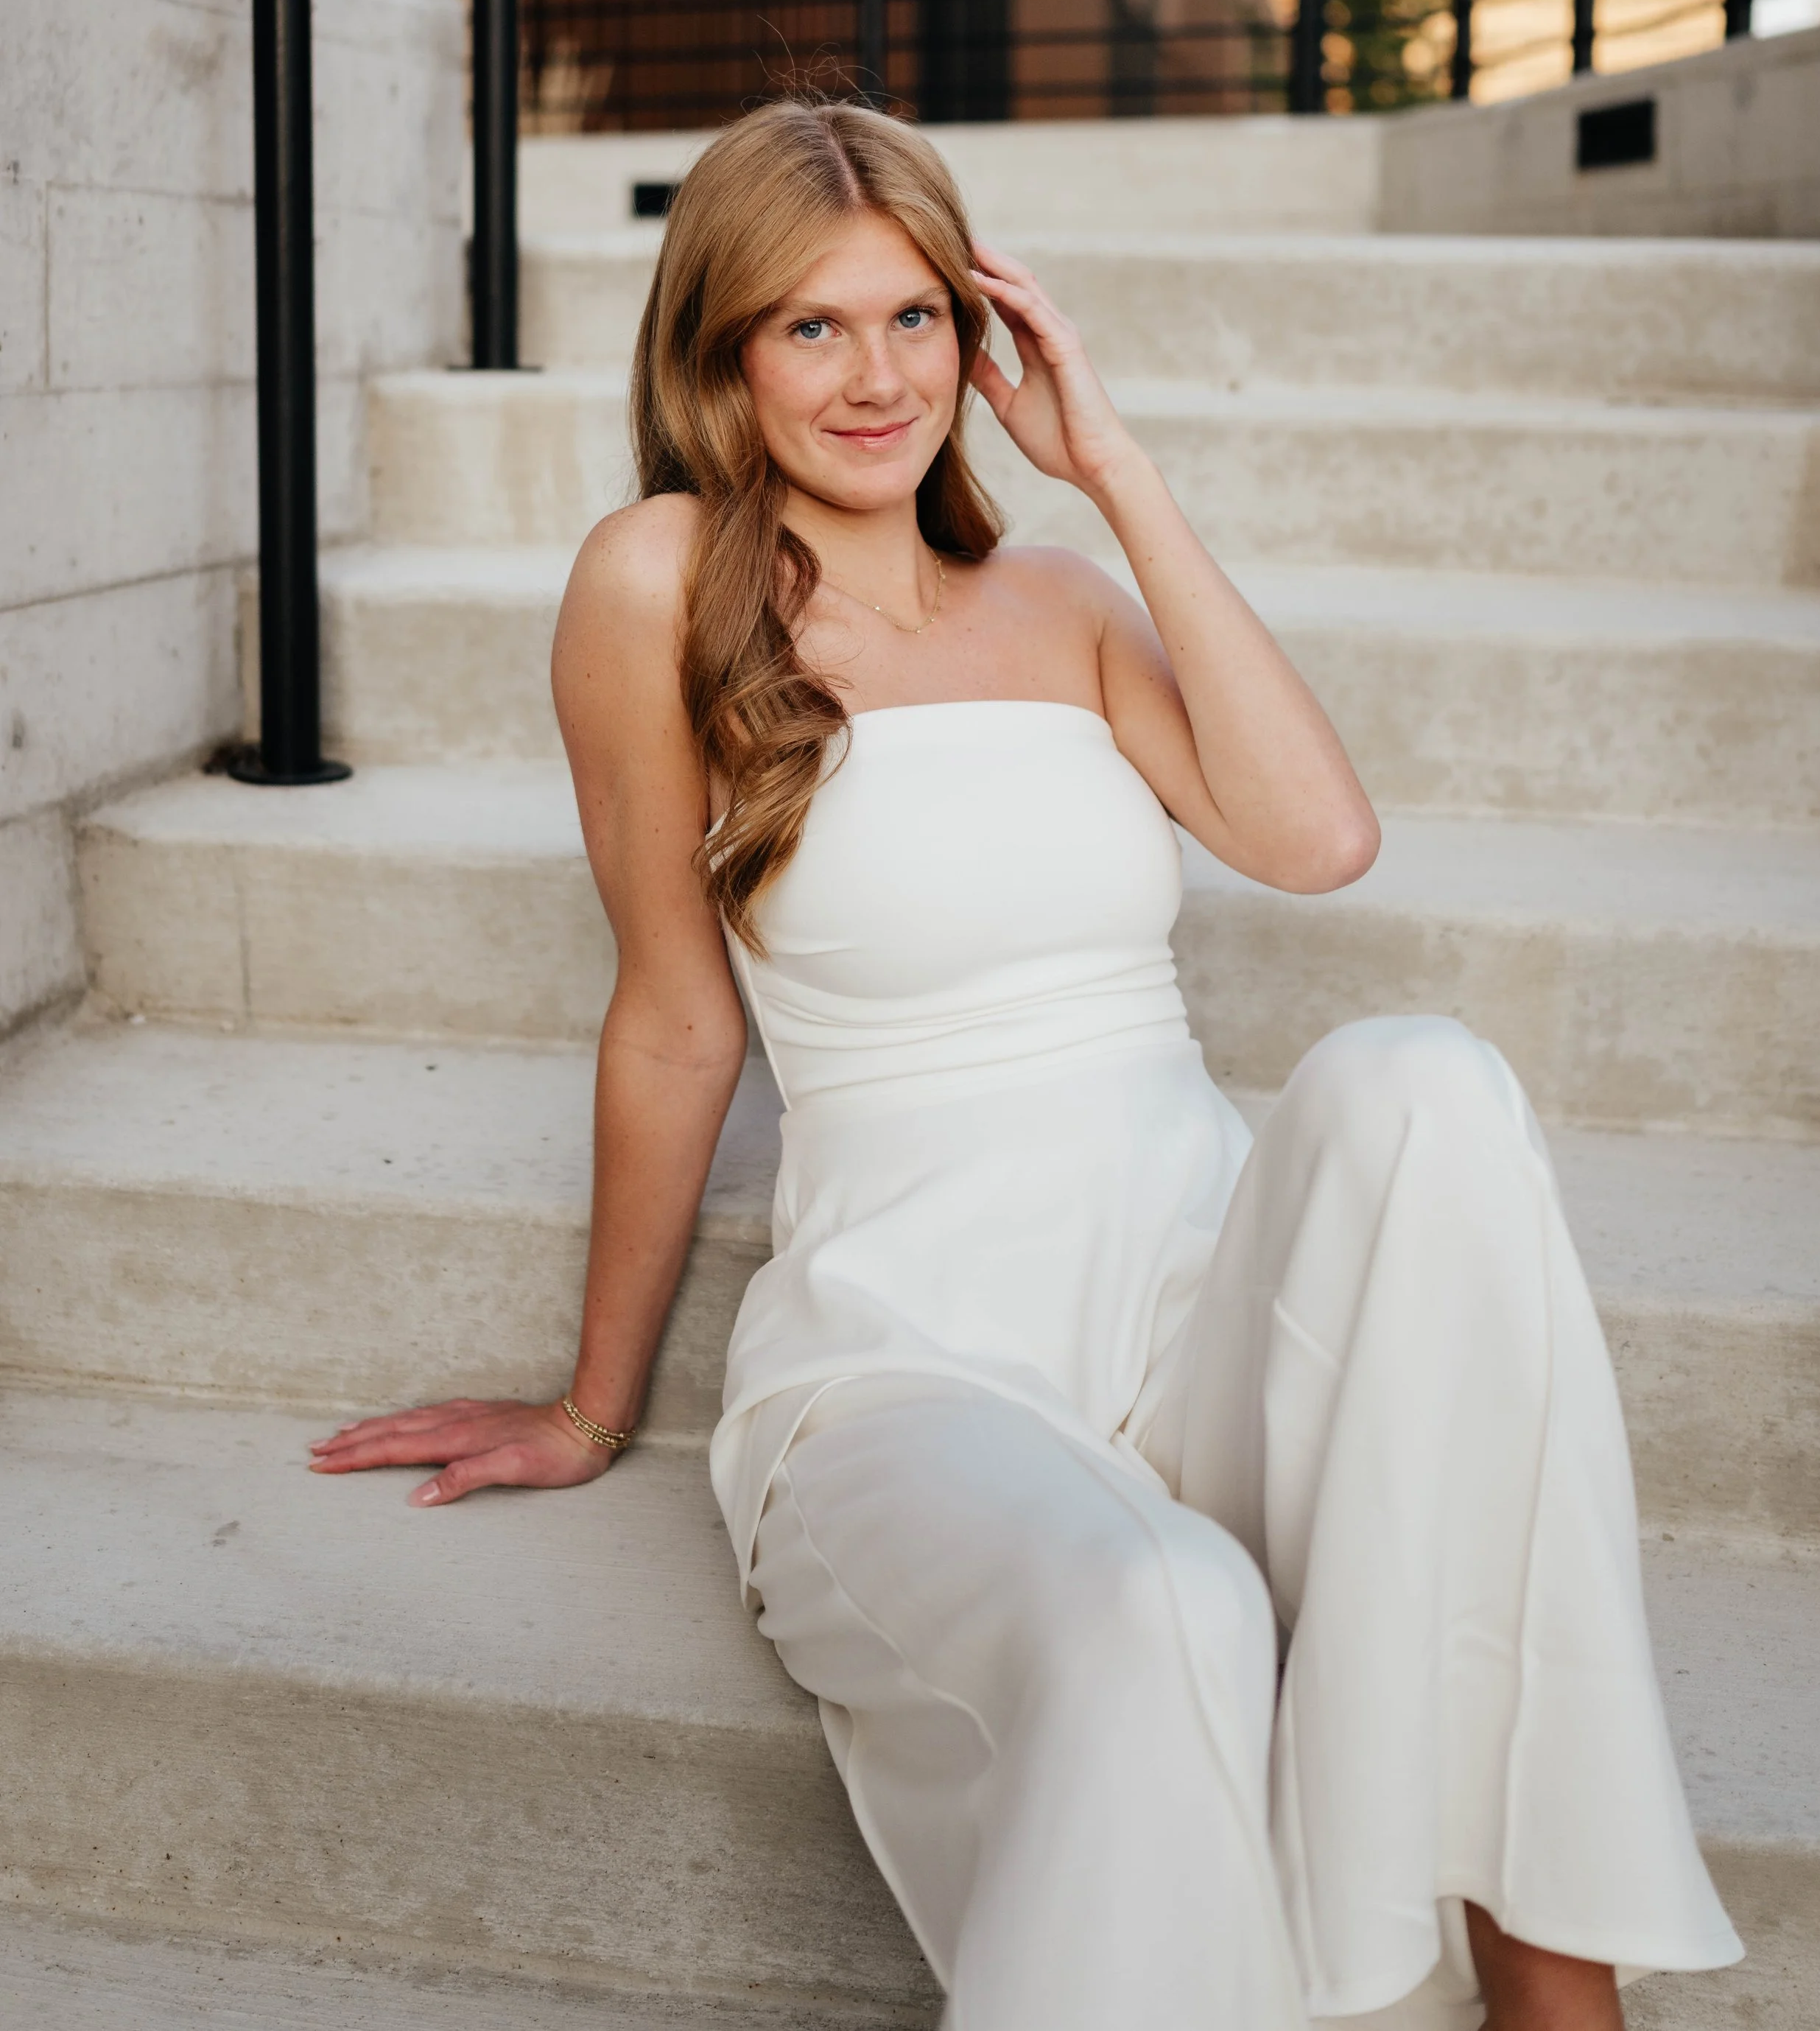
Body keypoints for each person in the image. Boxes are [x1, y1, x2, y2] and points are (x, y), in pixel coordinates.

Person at [312, 100, 1740, 2031]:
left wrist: (1118, 466)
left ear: (980, 333)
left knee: (1429, 1085)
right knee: (1172, 1605)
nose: (876, 373)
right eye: (810, 326)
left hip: (1187, 1315)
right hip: (913, 1358)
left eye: (913, 316)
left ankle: (1548, 1986)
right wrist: (589, 1402)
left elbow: (1317, 839)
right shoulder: (657, 580)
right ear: (720, 352)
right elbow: (674, 1011)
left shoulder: (1062, 596)